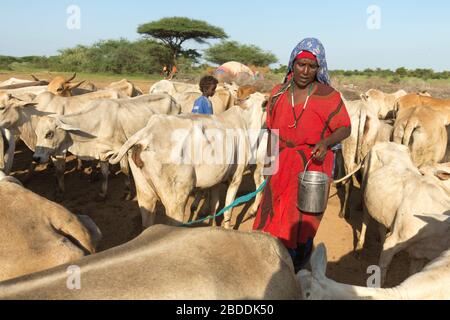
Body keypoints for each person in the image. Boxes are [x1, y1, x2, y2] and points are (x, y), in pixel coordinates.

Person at [252, 38, 351, 272]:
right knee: (271, 217)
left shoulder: (329, 96)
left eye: (312, 66)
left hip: (312, 166)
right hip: (281, 163)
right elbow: (272, 132)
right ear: (292, 64)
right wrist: (268, 169)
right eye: (301, 65)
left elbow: (345, 127)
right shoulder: (277, 93)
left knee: (301, 223)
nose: (306, 71)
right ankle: (268, 268)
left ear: (320, 68)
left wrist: (326, 143)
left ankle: (294, 273)